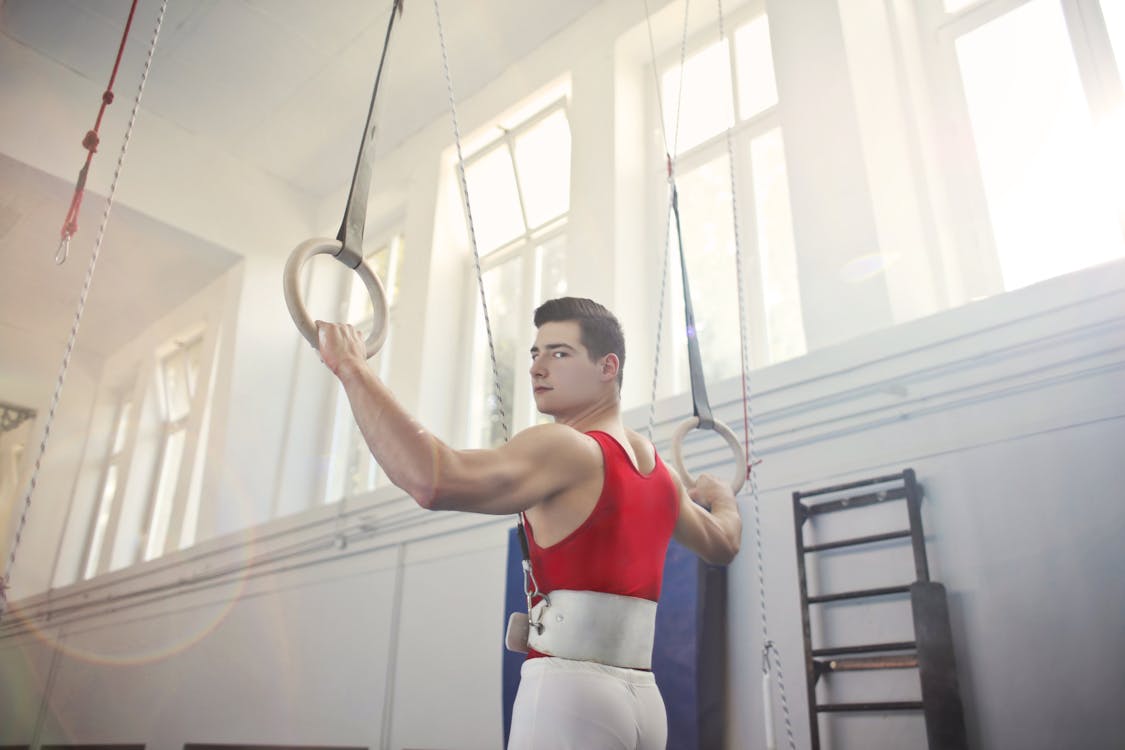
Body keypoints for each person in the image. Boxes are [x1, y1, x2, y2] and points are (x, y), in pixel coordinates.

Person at [316, 296, 742, 750]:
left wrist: (353, 369)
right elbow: (723, 542)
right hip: (644, 704)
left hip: (570, 697)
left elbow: (432, 479)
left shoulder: (567, 447)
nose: (538, 368)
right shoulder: (661, 474)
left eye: (560, 353)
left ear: (608, 367)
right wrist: (721, 497)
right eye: (535, 354)